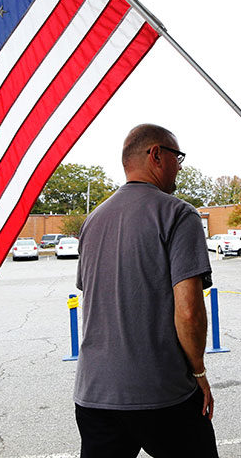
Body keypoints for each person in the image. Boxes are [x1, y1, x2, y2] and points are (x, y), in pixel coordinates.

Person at [73, 124, 218, 458]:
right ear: (156, 155)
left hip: (95, 395)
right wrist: (198, 371)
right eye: (177, 157)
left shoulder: (93, 221)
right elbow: (189, 311)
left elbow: (96, 298)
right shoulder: (178, 214)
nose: (180, 166)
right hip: (162, 394)